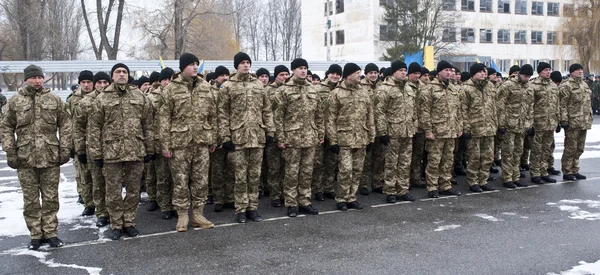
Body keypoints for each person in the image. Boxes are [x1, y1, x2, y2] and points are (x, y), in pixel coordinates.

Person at [0, 64, 71, 250]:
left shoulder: (54, 99)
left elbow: (65, 124)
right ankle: (35, 235)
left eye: (40, 77)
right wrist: (10, 150)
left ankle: (51, 233)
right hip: (25, 157)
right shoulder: (15, 101)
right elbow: (6, 126)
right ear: (26, 79)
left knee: (50, 197)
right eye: (33, 78)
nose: (37, 80)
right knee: (31, 199)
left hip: (50, 155)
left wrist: (65, 148)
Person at [88, 63, 154, 240]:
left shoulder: (139, 96)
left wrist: (149, 148)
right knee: (113, 191)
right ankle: (116, 224)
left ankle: (129, 222)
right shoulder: (102, 98)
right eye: (118, 72)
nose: (122, 74)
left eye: (124, 72)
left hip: (135, 150)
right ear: (112, 76)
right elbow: (94, 127)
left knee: (134, 191)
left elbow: (148, 124)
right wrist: (97, 154)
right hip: (112, 152)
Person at [159, 53, 216, 232]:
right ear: (182, 67)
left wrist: (214, 138)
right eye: (191, 64)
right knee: (181, 181)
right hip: (179, 143)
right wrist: (165, 145)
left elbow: (213, 115)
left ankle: (198, 214)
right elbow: (163, 119)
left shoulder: (205, 87)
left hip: (201, 142)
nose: (194, 67)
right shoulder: (171, 89)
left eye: (196, 64)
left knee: (201, 180)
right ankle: (183, 214)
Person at [218, 52, 275, 223]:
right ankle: (241, 209)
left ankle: (253, 208)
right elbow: (222, 113)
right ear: (236, 65)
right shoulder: (228, 86)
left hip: (257, 136)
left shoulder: (258, 84)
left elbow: (267, 110)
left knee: (254, 175)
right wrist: (225, 137)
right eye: (242, 62)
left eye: (248, 62)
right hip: (238, 137)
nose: (246, 65)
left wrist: (270, 132)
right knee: (240, 175)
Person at [274, 58, 322, 217]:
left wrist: (320, 134)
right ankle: (291, 203)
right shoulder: (284, 90)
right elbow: (278, 117)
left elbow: (319, 115)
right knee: (292, 172)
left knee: (307, 172)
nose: (303, 71)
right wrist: (280, 138)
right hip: (292, 138)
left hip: (310, 137)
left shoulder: (313, 89)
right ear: (293, 70)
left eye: (305, 68)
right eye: (300, 68)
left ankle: (305, 201)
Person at [326, 63, 375, 211]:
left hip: (361, 137)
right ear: (348, 75)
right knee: (345, 170)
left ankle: (352, 197)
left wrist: (372, 137)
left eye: (360, 72)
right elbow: (330, 119)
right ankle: (342, 198)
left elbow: (370, 116)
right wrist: (333, 140)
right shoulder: (336, 93)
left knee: (357, 169)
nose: (360, 75)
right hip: (344, 138)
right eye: (357, 73)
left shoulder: (364, 92)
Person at [419, 61, 463, 198]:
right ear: (439, 72)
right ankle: (432, 186)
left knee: (448, 160)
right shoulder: (429, 89)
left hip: (450, 131)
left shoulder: (453, 89)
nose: (449, 73)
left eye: (450, 70)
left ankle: (445, 185)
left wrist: (459, 126)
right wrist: (428, 130)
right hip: (436, 132)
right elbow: (424, 112)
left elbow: (458, 110)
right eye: (446, 70)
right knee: (434, 160)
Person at [376, 61, 418, 203]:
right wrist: (382, 132)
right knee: (391, 163)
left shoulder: (409, 88)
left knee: (405, 162)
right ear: (393, 72)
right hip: (392, 131)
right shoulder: (385, 89)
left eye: (404, 70)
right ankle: (390, 190)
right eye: (400, 70)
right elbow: (380, 112)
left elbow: (414, 110)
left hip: (407, 131)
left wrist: (414, 126)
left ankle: (402, 190)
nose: (403, 73)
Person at [74, 71, 111, 227]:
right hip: (93, 149)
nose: (103, 85)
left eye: (105, 82)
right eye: (99, 82)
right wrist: (80, 150)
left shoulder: (115, 98)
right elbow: (78, 127)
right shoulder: (86, 102)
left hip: (114, 148)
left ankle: (113, 211)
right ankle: (102, 213)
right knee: (97, 183)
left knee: (113, 183)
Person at [461, 63, 498, 192]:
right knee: (474, 157)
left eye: (485, 71)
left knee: (488, 157)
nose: (483, 73)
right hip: (474, 128)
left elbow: (494, 107)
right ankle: (473, 181)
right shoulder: (466, 88)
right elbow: (463, 110)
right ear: (473, 73)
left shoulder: (490, 87)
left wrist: (495, 124)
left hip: (489, 128)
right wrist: (466, 128)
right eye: (480, 71)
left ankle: (483, 180)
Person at [146, 67, 177, 218]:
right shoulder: (152, 98)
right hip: (159, 143)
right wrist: (150, 146)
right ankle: (165, 206)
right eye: (164, 79)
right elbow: (148, 123)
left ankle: (176, 205)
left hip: (177, 141)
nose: (167, 82)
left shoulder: (178, 94)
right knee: (162, 176)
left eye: (170, 79)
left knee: (177, 177)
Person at [497, 64, 534, 188]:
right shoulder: (508, 85)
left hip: (522, 125)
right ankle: (507, 177)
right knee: (508, 151)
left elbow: (530, 107)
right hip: (509, 124)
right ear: (520, 74)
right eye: (525, 76)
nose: (527, 78)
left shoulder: (529, 87)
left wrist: (529, 123)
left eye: (529, 76)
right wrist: (501, 124)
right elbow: (500, 105)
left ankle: (516, 176)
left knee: (518, 152)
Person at [312, 64, 343, 201]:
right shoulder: (318, 89)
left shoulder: (342, 89)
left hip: (336, 130)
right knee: (318, 162)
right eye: (333, 73)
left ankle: (328, 187)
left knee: (332, 161)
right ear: (328, 74)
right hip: (321, 129)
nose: (335, 76)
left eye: (338, 74)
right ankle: (318, 189)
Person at [68, 70, 96, 216]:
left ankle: (100, 203)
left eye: (89, 82)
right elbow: (70, 123)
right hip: (80, 143)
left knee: (98, 176)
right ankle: (89, 203)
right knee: (83, 175)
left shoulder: (99, 97)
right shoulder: (72, 99)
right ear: (79, 84)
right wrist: (72, 145)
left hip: (96, 142)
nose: (86, 85)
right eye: (83, 82)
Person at [559, 63, 593, 181]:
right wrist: (564, 120)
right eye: (578, 70)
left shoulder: (584, 85)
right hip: (573, 122)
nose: (580, 72)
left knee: (580, 148)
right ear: (572, 72)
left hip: (584, 121)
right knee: (570, 148)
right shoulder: (566, 86)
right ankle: (567, 170)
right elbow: (562, 105)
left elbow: (587, 103)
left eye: (581, 69)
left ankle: (575, 169)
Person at [209, 65, 235, 212]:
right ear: (216, 77)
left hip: (231, 135)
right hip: (216, 137)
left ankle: (230, 198)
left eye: (227, 75)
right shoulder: (209, 91)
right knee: (217, 171)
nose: (225, 78)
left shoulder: (231, 89)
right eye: (222, 75)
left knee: (231, 169)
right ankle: (219, 198)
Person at [529, 62, 560, 184]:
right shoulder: (533, 85)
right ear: (540, 72)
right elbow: (529, 105)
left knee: (547, 149)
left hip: (550, 123)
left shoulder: (553, 85)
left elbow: (556, 104)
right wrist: (530, 123)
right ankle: (535, 173)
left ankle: (544, 172)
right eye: (546, 70)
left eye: (549, 69)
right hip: (538, 123)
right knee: (536, 150)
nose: (548, 72)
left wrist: (557, 121)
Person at [264, 65, 290, 207]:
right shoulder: (268, 90)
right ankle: (275, 195)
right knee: (274, 167)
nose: (285, 77)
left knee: (287, 168)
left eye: (286, 74)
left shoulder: (291, 89)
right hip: (274, 133)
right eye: (281, 74)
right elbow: (266, 111)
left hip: (289, 132)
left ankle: (286, 193)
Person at [359, 62, 384, 195]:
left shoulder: (382, 86)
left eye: (375, 72)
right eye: (371, 73)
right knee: (366, 158)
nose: (373, 75)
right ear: (366, 74)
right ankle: (362, 184)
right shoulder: (360, 86)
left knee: (379, 157)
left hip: (380, 127)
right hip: (366, 127)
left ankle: (377, 182)